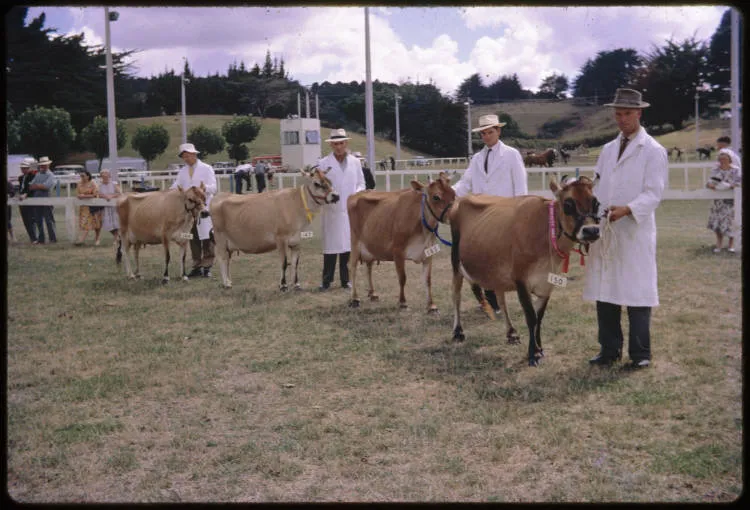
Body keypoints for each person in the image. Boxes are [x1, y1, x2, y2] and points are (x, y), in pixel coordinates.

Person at [584, 88, 668, 370]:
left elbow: (654, 193)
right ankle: (608, 350)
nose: (622, 119)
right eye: (618, 114)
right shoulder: (607, 150)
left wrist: (628, 209)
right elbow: (596, 188)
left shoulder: (653, 150)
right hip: (606, 231)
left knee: (637, 292)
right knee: (605, 291)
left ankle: (640, 353)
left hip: (634, 231)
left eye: (627, 113)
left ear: (639, 113)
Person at [453, 113, 528, 314]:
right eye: (483, 133)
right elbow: (465, 183)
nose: (486, 136)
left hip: (505, 213)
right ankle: (491, 301)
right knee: (485, 257)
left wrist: (520, 211)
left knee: (504, 257)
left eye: (490, 132)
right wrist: (446, 192)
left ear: (498, 131)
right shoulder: (477, 158)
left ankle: (507, 298)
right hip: (482, 215)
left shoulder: (511, 154)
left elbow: (521, 186)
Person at [317, 128, 366, 290]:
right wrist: (327, 196)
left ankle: (346, 280)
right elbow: (319, 186)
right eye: (335, 144)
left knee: (347, 246)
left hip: (351, 211)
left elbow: (361, 183)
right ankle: (326, 280)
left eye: (341, 143)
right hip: (332, 210)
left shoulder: (355, 162)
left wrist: (356, 195)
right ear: (331, 145)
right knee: (330, 247)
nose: (338, 147)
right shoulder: (323, 163)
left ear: (346, 143)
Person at [170, 143, 217, 278]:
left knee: (207, 237)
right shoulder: (182, 171)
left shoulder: (206, 168)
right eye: (184, 156)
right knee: (191, 237)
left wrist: (204, 189)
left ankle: (207, 266)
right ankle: (196, 266)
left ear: (194, 154)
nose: (186, 159)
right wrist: (169, 191)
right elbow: (176, 185)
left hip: (204, 208)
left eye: (188, 156)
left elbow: (214, 187)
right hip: (189, 211)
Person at [706, 149, 741, 253]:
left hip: (731, 201)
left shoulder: (735, 170)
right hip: (718, 201)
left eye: (725, 158)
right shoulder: (715, 170)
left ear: (730, 159)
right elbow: (709, 182)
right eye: (720, 158)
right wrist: (711, 185)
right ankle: (719, 244)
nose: (722, 160)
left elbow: (739, 183)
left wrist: (729, 186)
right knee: (717, 222)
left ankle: (731, 245)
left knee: (731, 222)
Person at [28, 156, 57, 244]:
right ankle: (41, 239)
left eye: (45, 165)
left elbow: (46, 187)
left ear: (48, 165)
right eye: (42, 165)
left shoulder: (51, 175)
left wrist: (37, 186)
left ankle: (52, 238)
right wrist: (39, 186)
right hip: (37, 199)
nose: (43, 167)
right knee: (38, 220)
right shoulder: (38, 174)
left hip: (47, 199)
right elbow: (30, 186)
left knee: (49, 220)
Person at [74, 170, 103, 245]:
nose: (82, 177)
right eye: (81, 176)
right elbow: (77, 194)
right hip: (84, 207)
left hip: (93, 206)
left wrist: (84, 196)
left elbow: (95, 194)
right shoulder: (79, 184)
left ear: (88, 176)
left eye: (83, 176)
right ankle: (81, 240)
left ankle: (97, 238)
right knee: (84, 222)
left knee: (96, 223)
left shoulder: (93, 183)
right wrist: (79, 196)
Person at [96, 168, 121, 248]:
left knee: (116, 223)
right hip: (105, 207)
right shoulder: (99, 184)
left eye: (106, 175)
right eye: (103, 175)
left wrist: (111, 196)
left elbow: (119, 193)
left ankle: (116, 238)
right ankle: (117, 236)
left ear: (109, 175)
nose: (105, 176)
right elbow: (98, 194)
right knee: (107, 224)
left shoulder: (114, 183)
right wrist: (104, 196)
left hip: (114, 206)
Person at [17, 158, 38, 243]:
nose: (23, 169)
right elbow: (21, 188)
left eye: (25, 168)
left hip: (30, 199)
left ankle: (35, 238)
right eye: (22, 168)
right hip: (21, 200)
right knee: (25, 219)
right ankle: (32, 237)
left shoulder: (33, 176)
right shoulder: (20, 178)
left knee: (31, 219)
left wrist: (26, 194)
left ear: (28, 168)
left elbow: (31, 188)